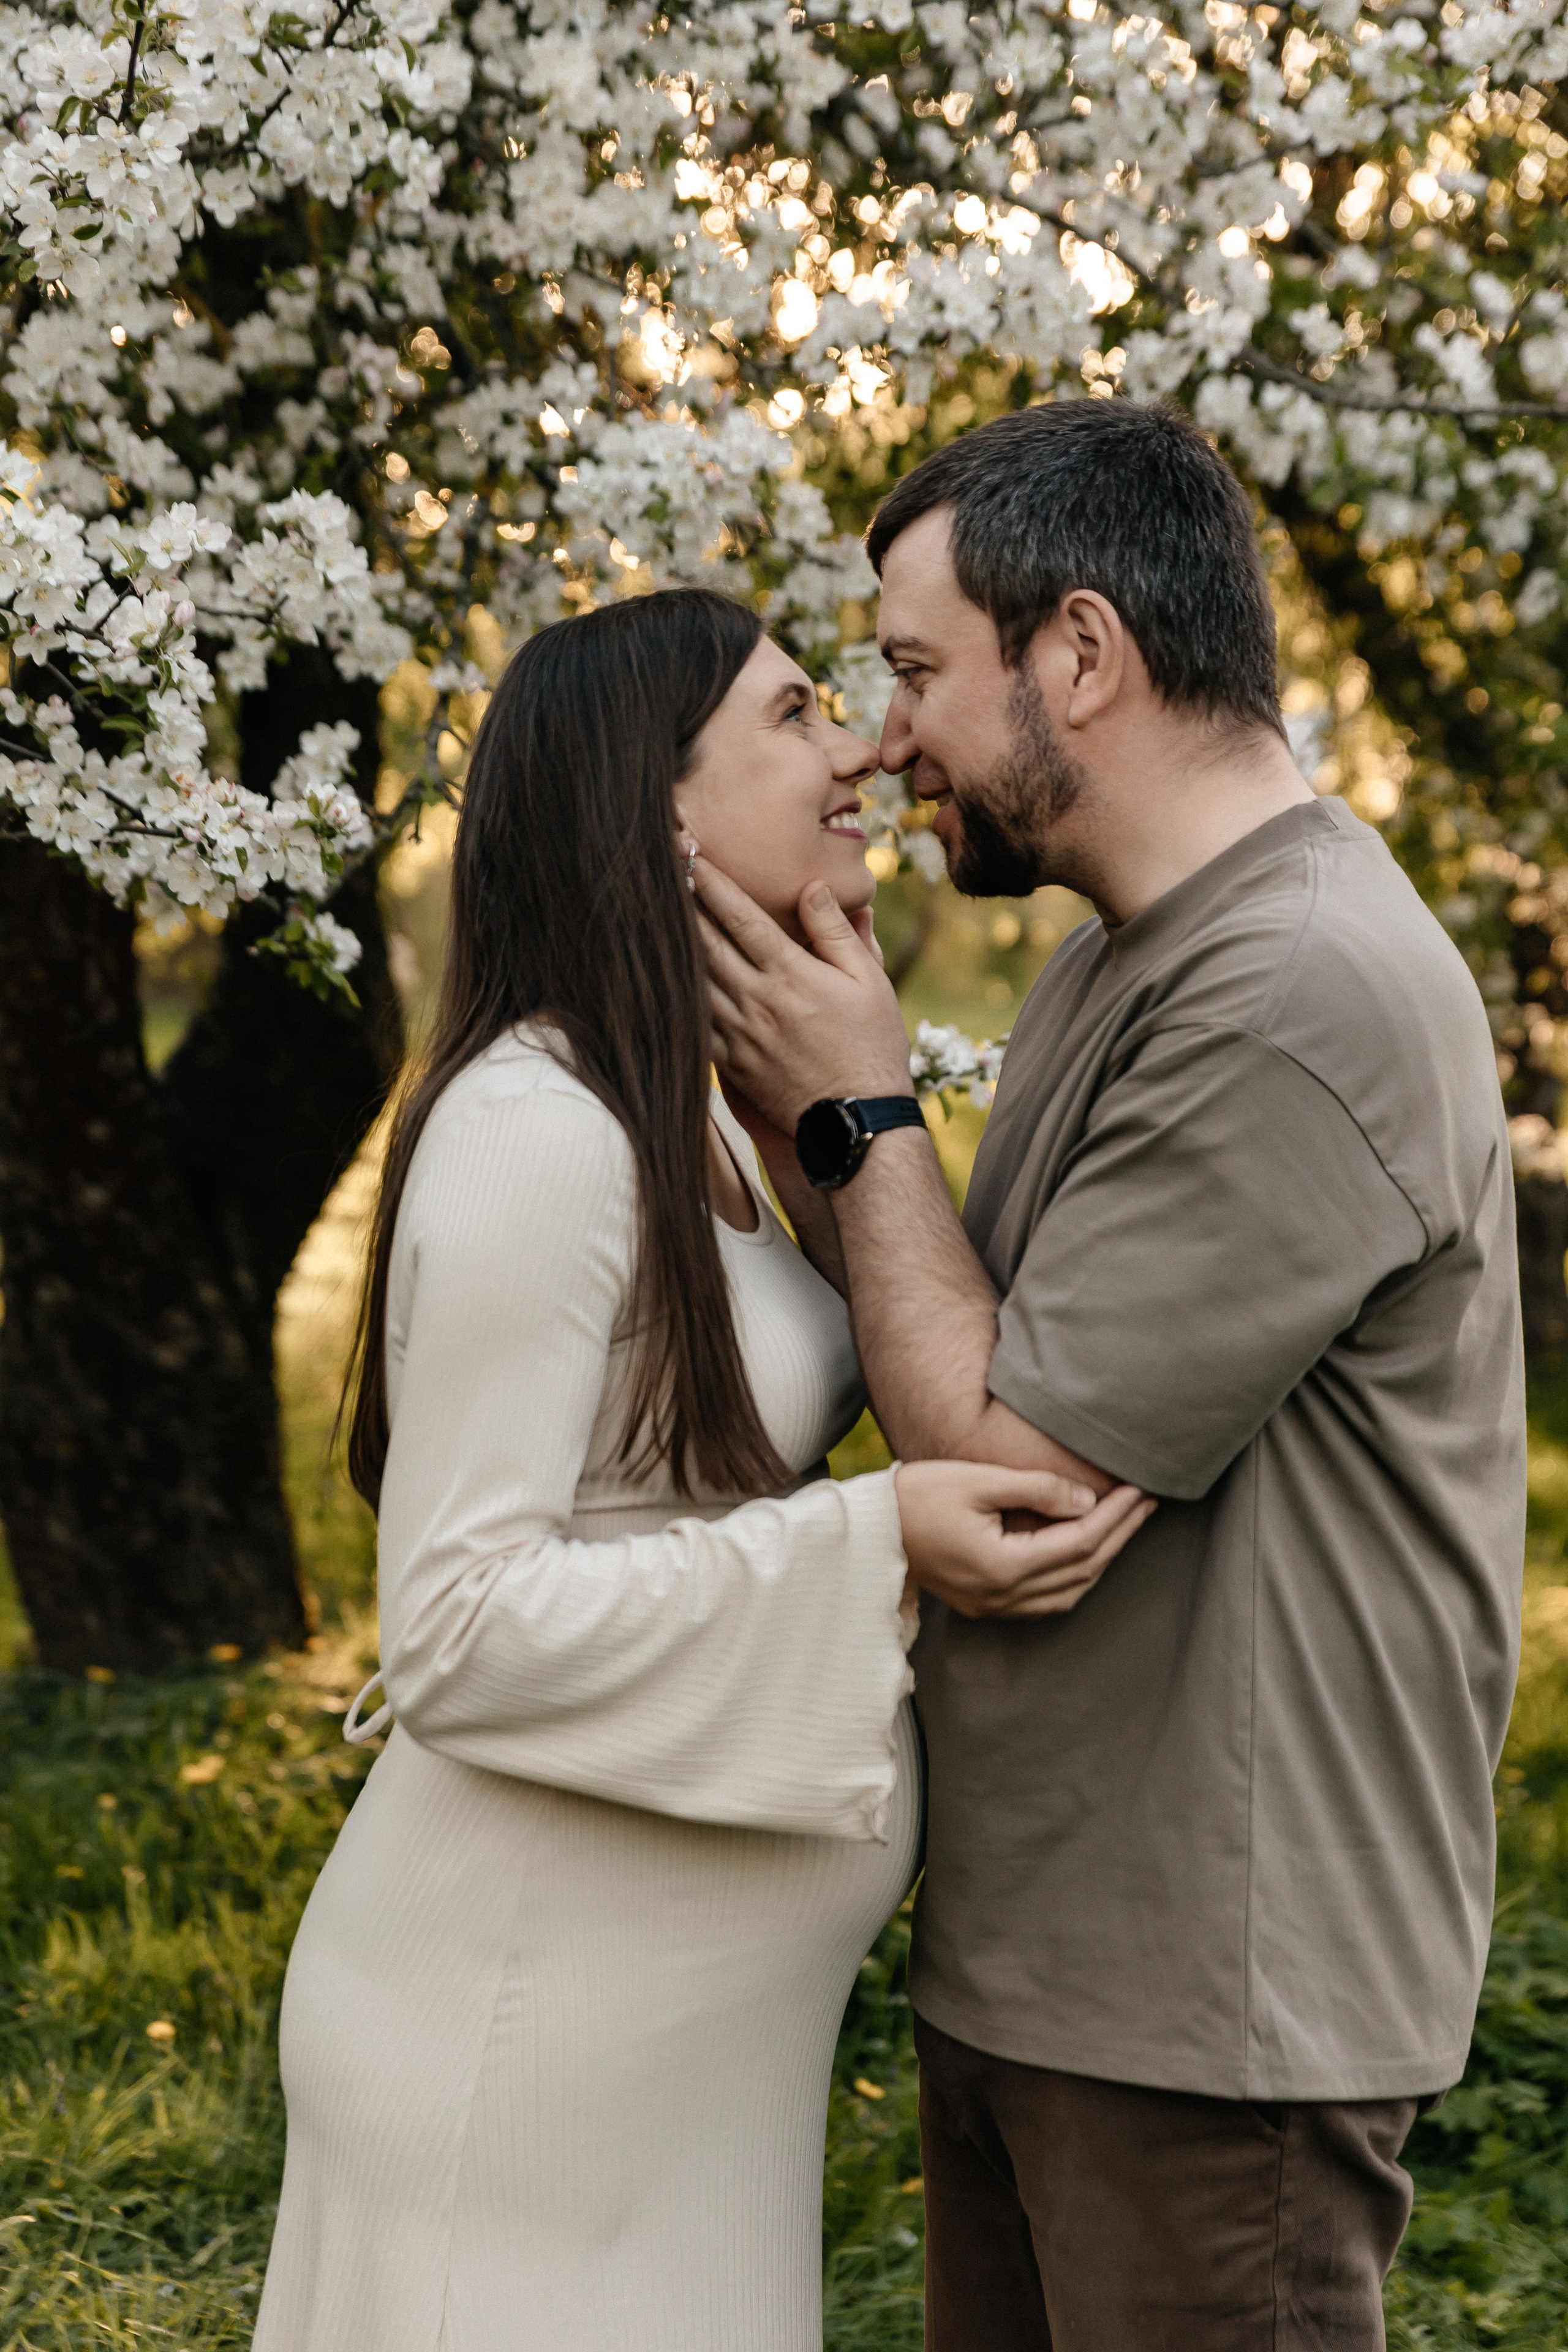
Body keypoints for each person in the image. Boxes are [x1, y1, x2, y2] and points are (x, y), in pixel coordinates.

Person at [696, 400, 1526, 2351]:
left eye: (916, 671)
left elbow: (1005, 1465)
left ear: (1080, 651)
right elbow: (950, 1338)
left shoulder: (1298, 986)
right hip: (1055, 1965)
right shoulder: (1115, 961)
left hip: (1211, 2010)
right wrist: (805, 1101)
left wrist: (857, 1111)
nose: (887, 737)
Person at [251, 587, 1151, 2352]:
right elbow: (453, 1626)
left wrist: (835, 1113)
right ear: (655, 805)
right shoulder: (537, 1131)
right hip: (515, 2034)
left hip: (671, 2059)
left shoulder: (696, 1123)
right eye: (797, 715)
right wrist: (877, 1543)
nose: (862, 751)